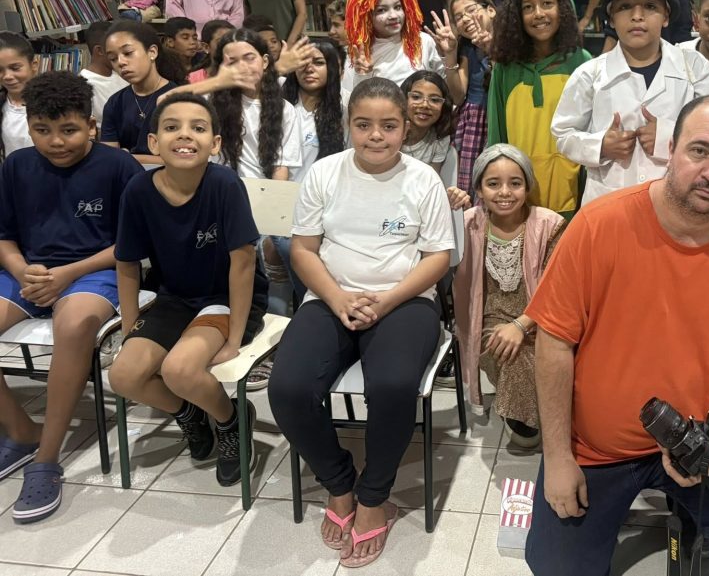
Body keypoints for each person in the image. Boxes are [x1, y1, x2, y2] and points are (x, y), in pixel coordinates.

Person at [524, 94, 709, 576]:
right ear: (671, 148)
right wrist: (558, 457)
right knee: (555, 567)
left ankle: (690, 521)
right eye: (699, 151)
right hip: (597, 446)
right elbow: (554, 342)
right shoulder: (599, 224)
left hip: (693, 433)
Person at [268, 77, 455, 569]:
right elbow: (305, 250)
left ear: (404, 127)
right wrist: (337, 297)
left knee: (392, 385)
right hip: (331, 295)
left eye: (389, 126)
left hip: (407, 300)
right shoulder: (324, 174)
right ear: (348, 125)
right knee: (287, 388)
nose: (377, 136)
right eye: (364, 125)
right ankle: (339, 482)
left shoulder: (422, 179)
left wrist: (387, 300)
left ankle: (375, 497)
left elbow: (439, 256)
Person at [0, 71, 141, 522]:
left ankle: (46, 459)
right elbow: (4, 238)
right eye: (42, 130)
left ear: (91, 125)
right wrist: (24, 269)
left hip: (94, 272)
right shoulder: (16, 166)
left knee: (75, 322)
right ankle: (22, 431)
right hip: (30, 272)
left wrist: (68, 274)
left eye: (69, 130)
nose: (55, 141)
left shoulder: (119, 167)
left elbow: (133, 244)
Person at [108, 93, 267, 488]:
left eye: (198, 128)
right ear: (153, 142)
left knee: (179, 369)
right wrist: (130, 327)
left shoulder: (224, 184)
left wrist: (233, 338)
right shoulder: (139, 190)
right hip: (174, 296)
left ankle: (230, 420)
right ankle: (190, 413)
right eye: (172, 126)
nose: (185, 135)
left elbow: (243, 264)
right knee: (124, 375)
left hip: (225, 299)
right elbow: (127, 263)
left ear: (215, 144)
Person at [552, 0, 709, 205]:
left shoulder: (694, 67)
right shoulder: (590, 73)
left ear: (666, 17)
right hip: (608, 202)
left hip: (673, 203)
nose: (637, 16)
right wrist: (600, 145)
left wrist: (666, 136)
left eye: (650, 6)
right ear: (611, 18)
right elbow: (562, 134)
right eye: (625, 7)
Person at [453, 144, 565, 448]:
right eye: (493, 183)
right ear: (478, 188)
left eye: (515, 183)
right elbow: (437, 254)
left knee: (549, 353)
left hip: (544, 315)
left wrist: (522, 325)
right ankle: (527, 422)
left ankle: (543, 415)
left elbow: (560, 286)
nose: (505, 192)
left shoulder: (549, 224)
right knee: (508, 352)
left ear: (527, 186)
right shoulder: (469, 223)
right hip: (490, 315)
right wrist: (448, 209)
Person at [486, 0, 591, 217]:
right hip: (516, 197)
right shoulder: (505, 68)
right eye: (528, 7)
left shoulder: (582, 62)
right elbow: (496, 134)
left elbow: (590, 132)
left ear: (562, 9)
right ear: (516, 16)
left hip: (571, 193)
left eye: (547, 3)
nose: (539, 14)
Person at [342, 0, 464, 105]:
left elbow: (454, 98)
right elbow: (351, 107)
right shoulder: (358, 52)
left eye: (398, 7)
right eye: (381, 10)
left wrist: (450, 55)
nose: (393, 15)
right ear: (366, 16)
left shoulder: (423, 41)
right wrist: (362, 75)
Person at [210, 29, 301, 181]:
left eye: (249, 59)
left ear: (265, 61)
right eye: (232, 62)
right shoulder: (212, 104)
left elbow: (281, 166)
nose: (242, 67)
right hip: (222, 186)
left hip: (265, 191)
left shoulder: (285, 109)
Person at [101, 20, 184, 166]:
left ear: (152, 52)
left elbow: (181, 158)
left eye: (128, 53)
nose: (120, 62)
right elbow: (109, 159)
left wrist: (130, 157)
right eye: (113, 59)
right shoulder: (115, 102)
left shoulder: (178, 98)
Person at [448, 0, 495, 193]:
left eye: (471, 10)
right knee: (470, 185)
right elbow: (458, 95)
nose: (465, 19)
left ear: (491, 11)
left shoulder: (510, 43)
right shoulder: (466, 49)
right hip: (474, 120)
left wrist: (490, 51)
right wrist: (449, 55)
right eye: (458, 17)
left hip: (501, 116)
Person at [282, 38, 349, 184]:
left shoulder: (345, 110)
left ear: (332, 69)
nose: (309, 68)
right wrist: (279, 67)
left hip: (323, 195)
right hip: (279, 193)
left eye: (318, 63)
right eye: (302, 62)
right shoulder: (279, 103)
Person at [399, 70, 453, 171]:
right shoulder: (390, 131)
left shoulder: (440, 138)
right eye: (416, 97)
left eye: (435, 100)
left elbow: (431, 181)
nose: (425, 105)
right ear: (403, 99)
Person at [0, 32, 39, 162]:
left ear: (33, 65)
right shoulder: (3, 105)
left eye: (15, 68)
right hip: (13, 178)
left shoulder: (56, 101)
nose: (7, 76)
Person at [79, 21, 126, 125]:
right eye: (116, 49)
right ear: (100, 50)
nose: (123, 56)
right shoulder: (83, 86)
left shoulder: (123, 75)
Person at [188, 19, 235, 84]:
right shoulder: (192, 79)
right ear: (206, 47)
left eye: (232, 41)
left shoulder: (245, 73)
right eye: (221, 41)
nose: (228, 46)